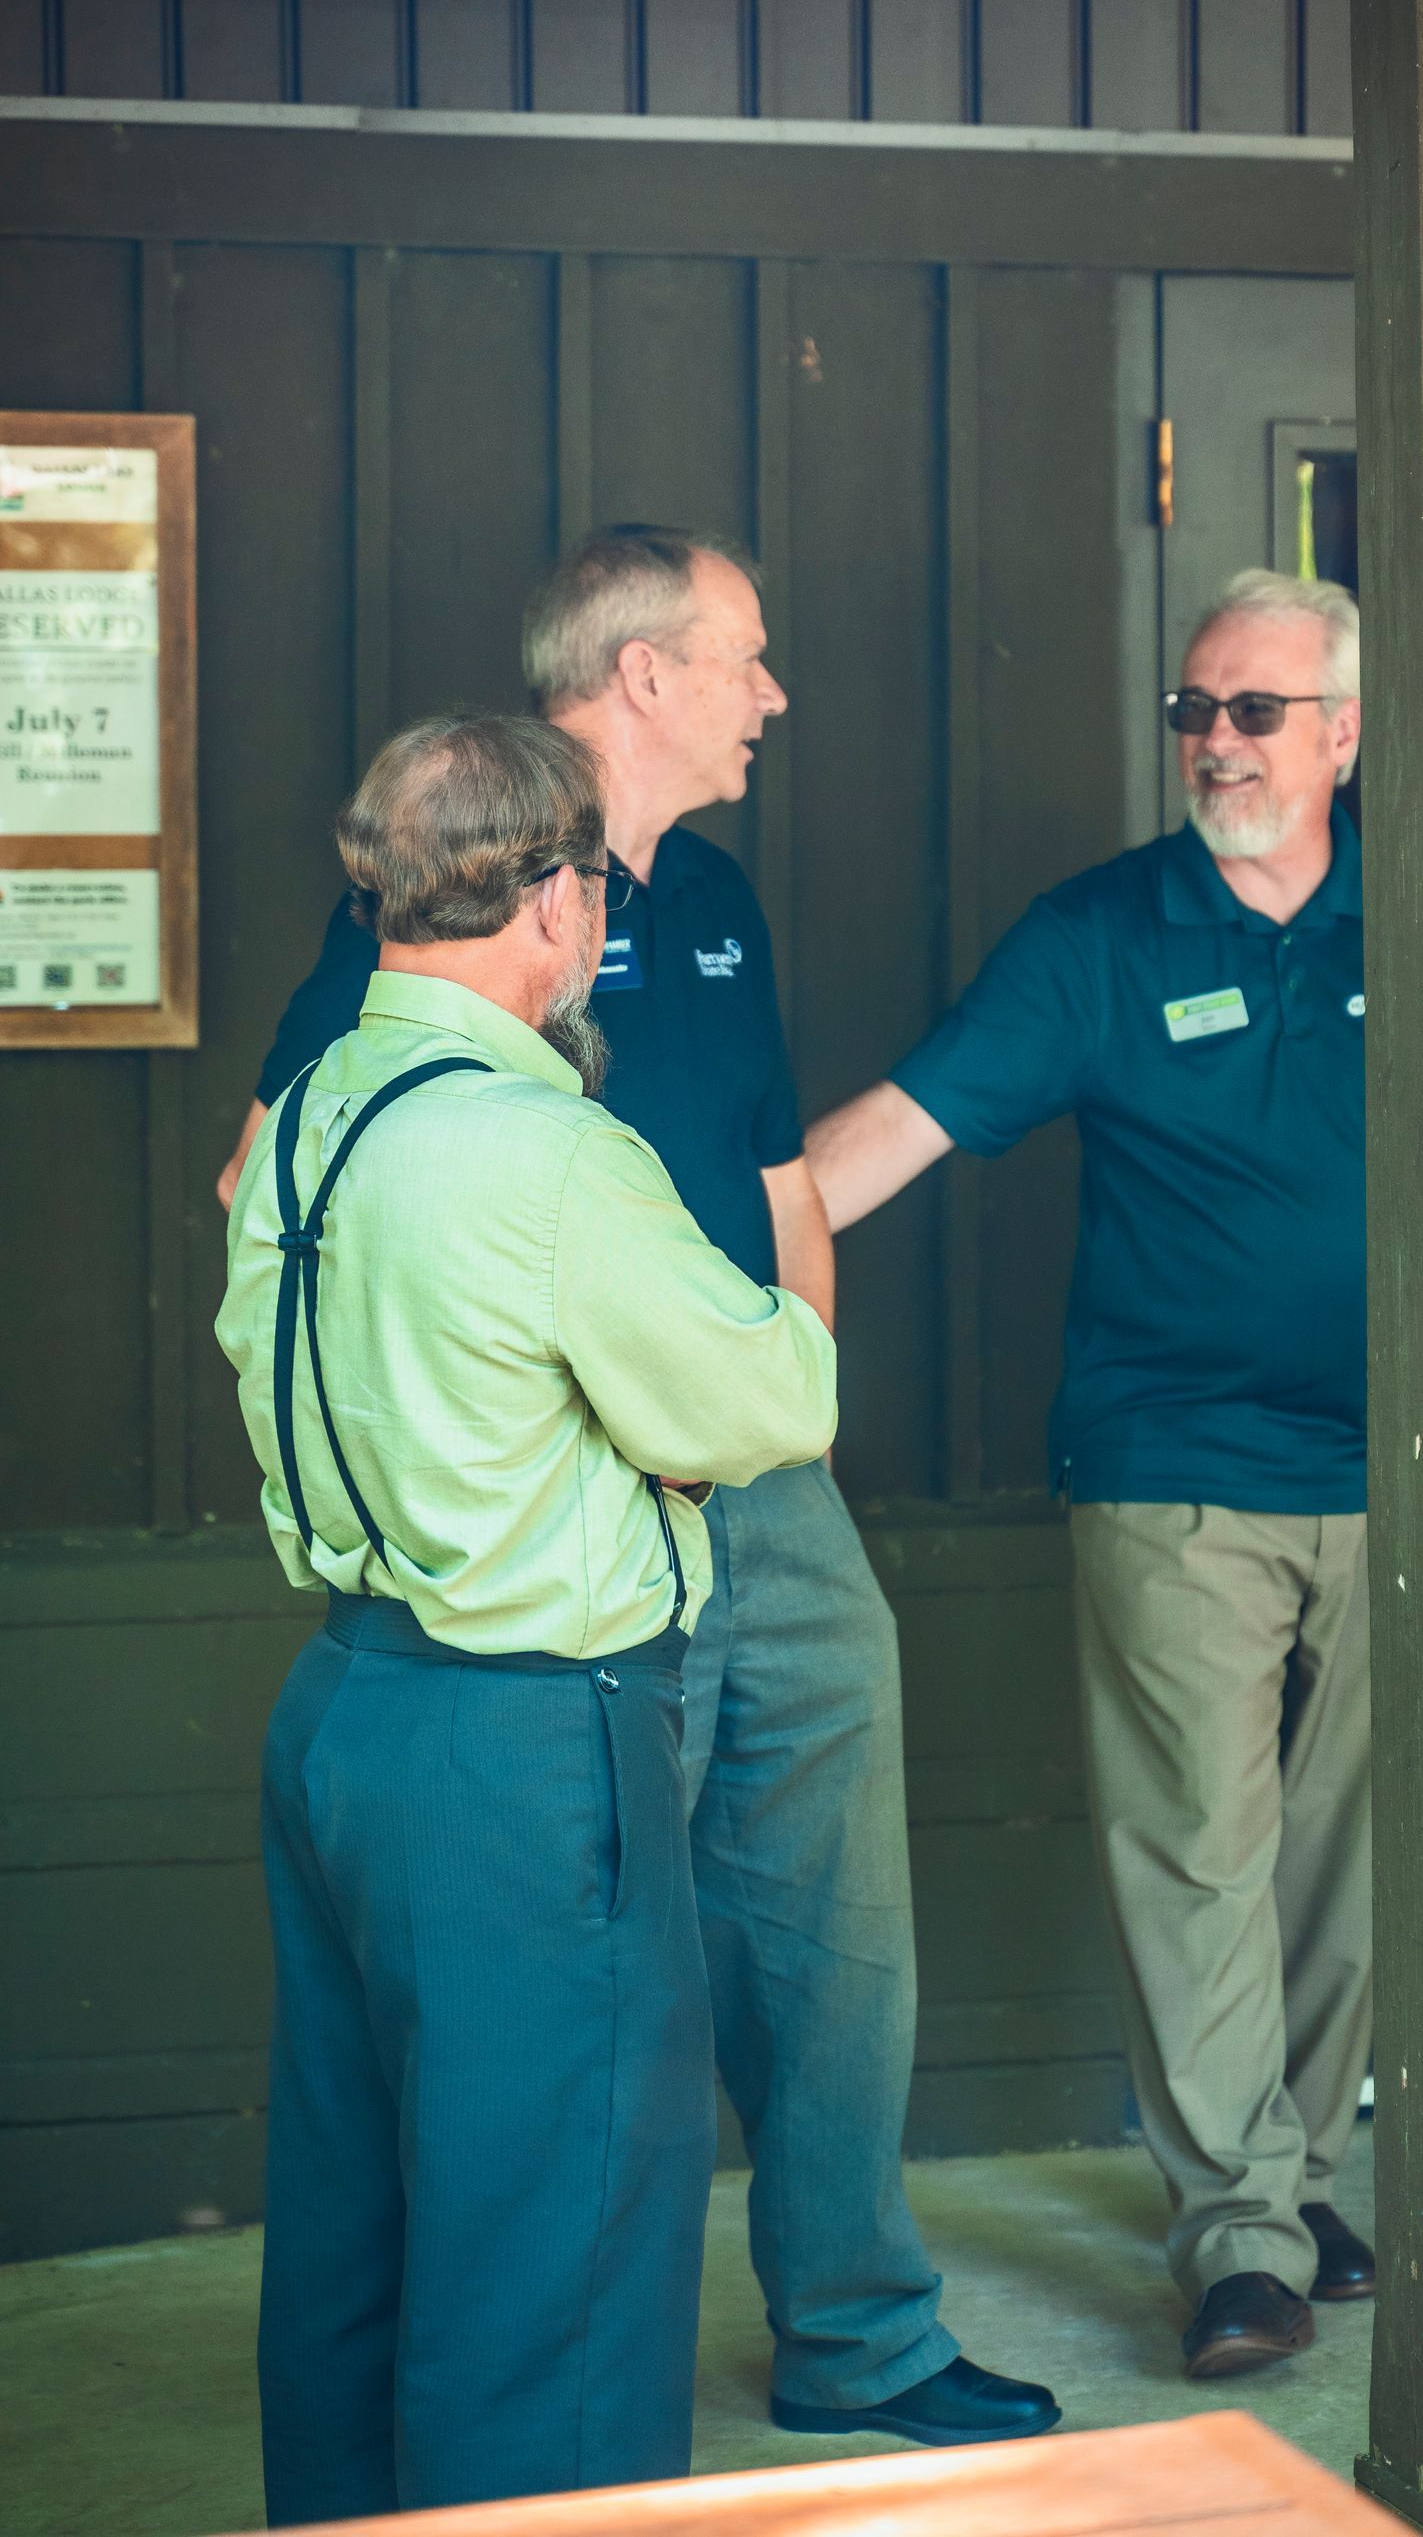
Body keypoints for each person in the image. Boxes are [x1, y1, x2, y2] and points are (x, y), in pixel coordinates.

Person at [215, 528, 1057, 2452]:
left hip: (740, 1482)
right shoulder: (451, 915)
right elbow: (288, 1190)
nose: (774, 695)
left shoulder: (716, 901)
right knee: (573, 2029)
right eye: (747, 655)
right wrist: (578, 1409)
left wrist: (782, 1419)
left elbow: (777, 1185)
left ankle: (857, 2329)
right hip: (564, 1539)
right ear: (643, 675)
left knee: (826, 1934)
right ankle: (564, 2405)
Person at [217, 713, 838, 2520]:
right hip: (529, 1743)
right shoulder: (551, 1150)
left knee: (354, 2243)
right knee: (554, 2275)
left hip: (344, 1715)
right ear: (558, 900)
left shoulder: (308, 1116)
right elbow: (775, 1399)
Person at [807, 571, 1376, 2383]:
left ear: (1344, 734)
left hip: (1399, 1473)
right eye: (1194, 709)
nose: (1216, 742)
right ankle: (1242, 2241)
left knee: (1347, 1869)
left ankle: (1293, 2178)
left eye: (1255, 711)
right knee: (1200, 1853)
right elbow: (888, 1135)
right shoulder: (1101, 936)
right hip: (1175, 1465)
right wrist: (698, 1255)